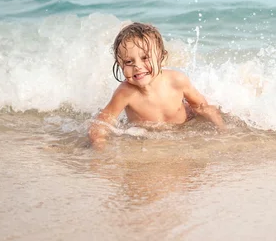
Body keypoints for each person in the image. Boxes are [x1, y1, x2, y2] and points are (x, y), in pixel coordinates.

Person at [89, 22, 226, 148]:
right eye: (129, 62)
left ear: (162, 59)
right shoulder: (125, 93)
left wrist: (222, 130)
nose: (137, 66)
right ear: (120, 65)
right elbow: (103, 120)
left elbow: (202, 106)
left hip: (184, 129)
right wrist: (99, 142)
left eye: (145, 58)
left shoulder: (177, 81)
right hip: (145, 140)